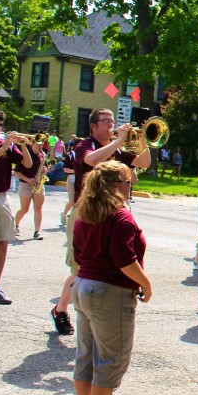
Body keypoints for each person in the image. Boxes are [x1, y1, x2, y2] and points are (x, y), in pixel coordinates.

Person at [71, 160, 151, 395]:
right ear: (116, 186)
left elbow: (78, 255)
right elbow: (124, 261)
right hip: (109, 293)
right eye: (129, 182)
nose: (132, 187)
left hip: (83, 287)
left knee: (87, 357)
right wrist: (146, 283)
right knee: (111, 359)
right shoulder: (120, 217)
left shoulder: (85, 214)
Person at [53, 109, 150, 336]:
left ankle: (91, 319)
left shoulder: (118, 148)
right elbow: (92, 160)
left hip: (113, 213)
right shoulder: (85, 145)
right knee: (80, 268)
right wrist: (118, 140)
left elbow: (143, 162)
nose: (111, 124)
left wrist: (142, 138)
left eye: (112, 121)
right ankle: (61, 310)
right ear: (94, 126)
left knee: (108, 265)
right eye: (105, 121)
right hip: (86, 213)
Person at [0, 106, 33, 306]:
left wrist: (24, 144)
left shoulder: (7, 145)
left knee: (3, 243)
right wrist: (3, 148)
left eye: (1, 125)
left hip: (3, 197)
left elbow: (27, 164)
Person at [14, 140, 47, 240]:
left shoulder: (42, 155)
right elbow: (16, 172)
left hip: (38, 184)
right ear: (32, 144)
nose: (40, 146)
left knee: (38, 208)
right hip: (25, 184)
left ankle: (37, 232)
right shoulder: (25, 154)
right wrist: (28, 180)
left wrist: (44, 171)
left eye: (41, 144)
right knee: (24, 209)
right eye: (38, 144)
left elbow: (44, 168)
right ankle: (15, 225)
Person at [60, 143, 77, 226]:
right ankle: (64, 214)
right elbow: (65, 169)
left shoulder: (86, 154)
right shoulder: (70, 155)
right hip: (72, 179)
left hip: (82, 180)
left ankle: (73, 218)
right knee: (72, 200)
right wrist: (76, 171)